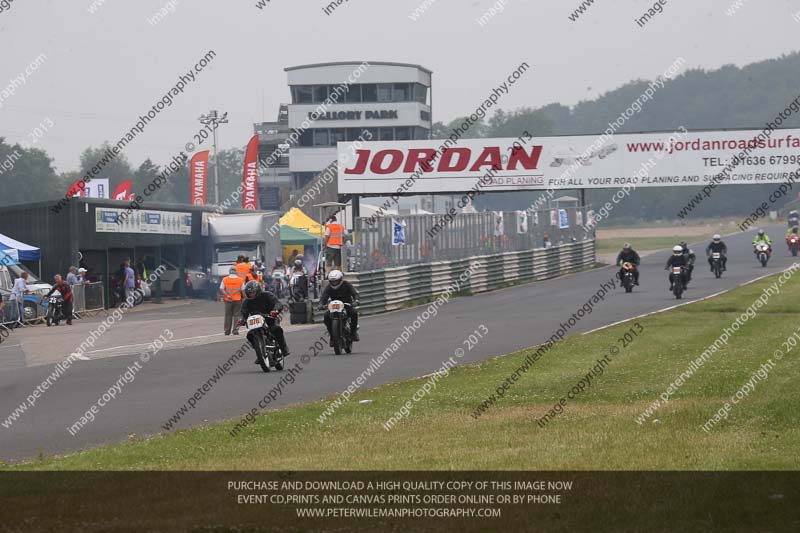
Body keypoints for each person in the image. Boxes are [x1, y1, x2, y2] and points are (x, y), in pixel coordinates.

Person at [238, 280, 290, 362]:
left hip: (270, 318)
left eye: (253, 292)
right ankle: (260, 353)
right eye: (250, 293)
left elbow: (277, 303)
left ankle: (284, 348)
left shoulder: (267, 295)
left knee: (276, 329)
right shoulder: (246, 302)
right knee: (250, 335)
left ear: (258, 290)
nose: (251, 294)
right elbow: (243, 313)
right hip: (256, 322)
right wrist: (241, 320)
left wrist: (275, 310)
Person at [319, 269, 360, 343]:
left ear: (340, 279)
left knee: (354, 313)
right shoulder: (329, 287)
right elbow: (324, 296)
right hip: (334, 306)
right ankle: (332, 336)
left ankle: (353, 333)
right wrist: (321, 304)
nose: (334, 283)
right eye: (332, 281)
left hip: (346, 305)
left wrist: (356, 300)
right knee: (326, 316)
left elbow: (354, 293)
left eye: (336, 281)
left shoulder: (346, 284)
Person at [219, 267, 244, 336]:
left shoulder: (225, 279)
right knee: (237, 315)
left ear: (229, 272)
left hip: (228, 300)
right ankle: (235, 330)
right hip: (238, 300)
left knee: (228, 315)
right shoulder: (240, 280)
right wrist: (244, 298)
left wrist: (227, 295)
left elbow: (221, 289)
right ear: (236, 272)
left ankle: (227, 331)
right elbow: (243, 290)